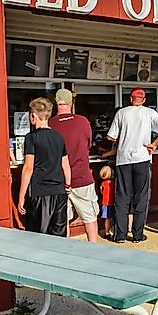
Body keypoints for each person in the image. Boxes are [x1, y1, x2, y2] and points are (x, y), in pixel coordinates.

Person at [107, 88, 158, 243]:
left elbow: (110, 136)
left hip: (123, 159)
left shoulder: (121, 113)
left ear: (130, 98)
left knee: (122, 197)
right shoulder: (149, 113)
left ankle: (120, 234)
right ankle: (138, 234)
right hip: (143, 158)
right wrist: (154, 144)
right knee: (141, 197)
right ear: (144, 100)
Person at [49, 88, 100, 242]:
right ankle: (94, 249)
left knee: (62, 220)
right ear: (71, 103)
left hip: (58, 180)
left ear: (56, 103)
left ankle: (66, 253)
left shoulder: (50, 124)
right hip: (82, 177)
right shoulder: (83, 121)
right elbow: (89, 144)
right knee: (89, 217)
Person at [17, 97, 71, 237]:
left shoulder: (31, 138)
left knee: (38, 236)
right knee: (58, 235)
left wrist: (21, 195)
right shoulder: (59, 137)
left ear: (33, 116)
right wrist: (68, 184)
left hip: (39, 191)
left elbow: (28, 168)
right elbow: (65, 164)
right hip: (59, 191)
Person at [98, 165, 115, 239]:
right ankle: (113, 230)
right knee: (113, 218)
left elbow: (101, 192)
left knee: (107, 219)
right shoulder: (114, 183)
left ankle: (107, 232)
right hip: (113, 202)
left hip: (105, 203)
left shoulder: (102, 184)